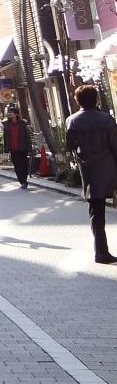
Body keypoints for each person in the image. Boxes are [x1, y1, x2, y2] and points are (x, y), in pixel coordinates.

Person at [64, 85, 117, 264]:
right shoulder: (106, 119)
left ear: (77, 101)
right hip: (110, 168)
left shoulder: (71, 121)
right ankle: (102, 253)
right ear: (96, 99)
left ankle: (101, 251)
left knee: (96, 212)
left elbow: (70, 146)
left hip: (89, 171)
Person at [4, 107, 34, 188]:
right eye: (9, 112)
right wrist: (6, 148)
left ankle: (24, 179)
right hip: (13, 148)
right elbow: (5, 137)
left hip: (22, 147)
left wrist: (29, 146)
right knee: (17, 165)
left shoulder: (22, 123)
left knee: (24, 164)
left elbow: (27, 136)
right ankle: (22, 181)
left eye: (11, 112)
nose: (10, 114)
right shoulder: (7, 124)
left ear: (16, 114)